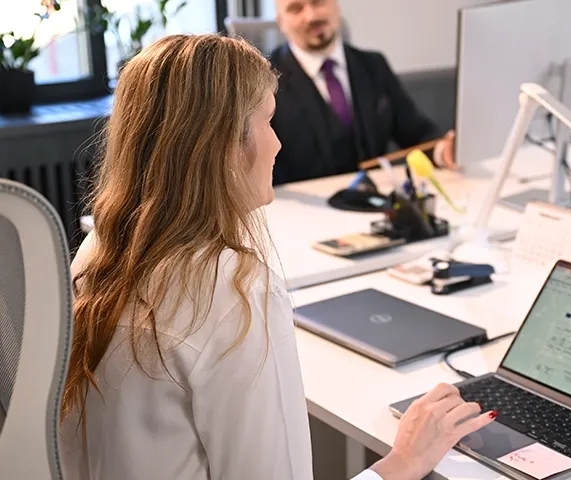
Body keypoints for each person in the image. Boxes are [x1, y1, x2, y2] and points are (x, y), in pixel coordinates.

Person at [59, 34, 495, 480]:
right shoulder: (231, 288)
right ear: (222, 144)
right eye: (267, 122)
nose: (277, 144)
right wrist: (404, 461)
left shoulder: (99, 250)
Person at [268, 0, 456, 185]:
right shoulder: (265, 81)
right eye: (296, 9)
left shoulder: (374, 65)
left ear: (336, 5)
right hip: (302, 203)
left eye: (318, 2)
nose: (311, 16)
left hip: (373, 197)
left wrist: (443, 151)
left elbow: (417, 134)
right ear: (280, 21)